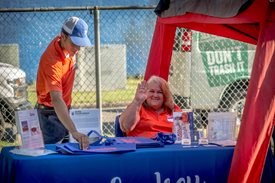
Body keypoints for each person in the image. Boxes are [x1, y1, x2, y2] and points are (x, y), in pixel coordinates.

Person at [36, 16, 92, 149]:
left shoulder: (66, 46)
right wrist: (73, 131)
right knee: (51, 158)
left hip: (63, 111)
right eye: (75, 43)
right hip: (50, 114)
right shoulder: (52, 61)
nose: (77, 48)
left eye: (80, 44)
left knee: (68, 154)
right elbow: (56, 99)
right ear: (63, 36)